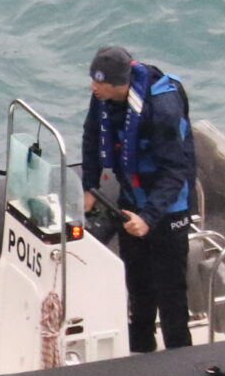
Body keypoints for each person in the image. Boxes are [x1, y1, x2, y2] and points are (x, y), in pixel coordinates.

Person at [81, 44, 197, 353]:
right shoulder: (103, 98)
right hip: (131, 196)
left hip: (168, 206)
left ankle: (181, 355)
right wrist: (89, 186)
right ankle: (142, 345)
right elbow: (92, 135)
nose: (92, 87)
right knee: (137, 280)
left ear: (120, 84)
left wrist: (148, 218)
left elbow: (176, 171)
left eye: (99, 82)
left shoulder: (162, 110)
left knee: (170, 290)